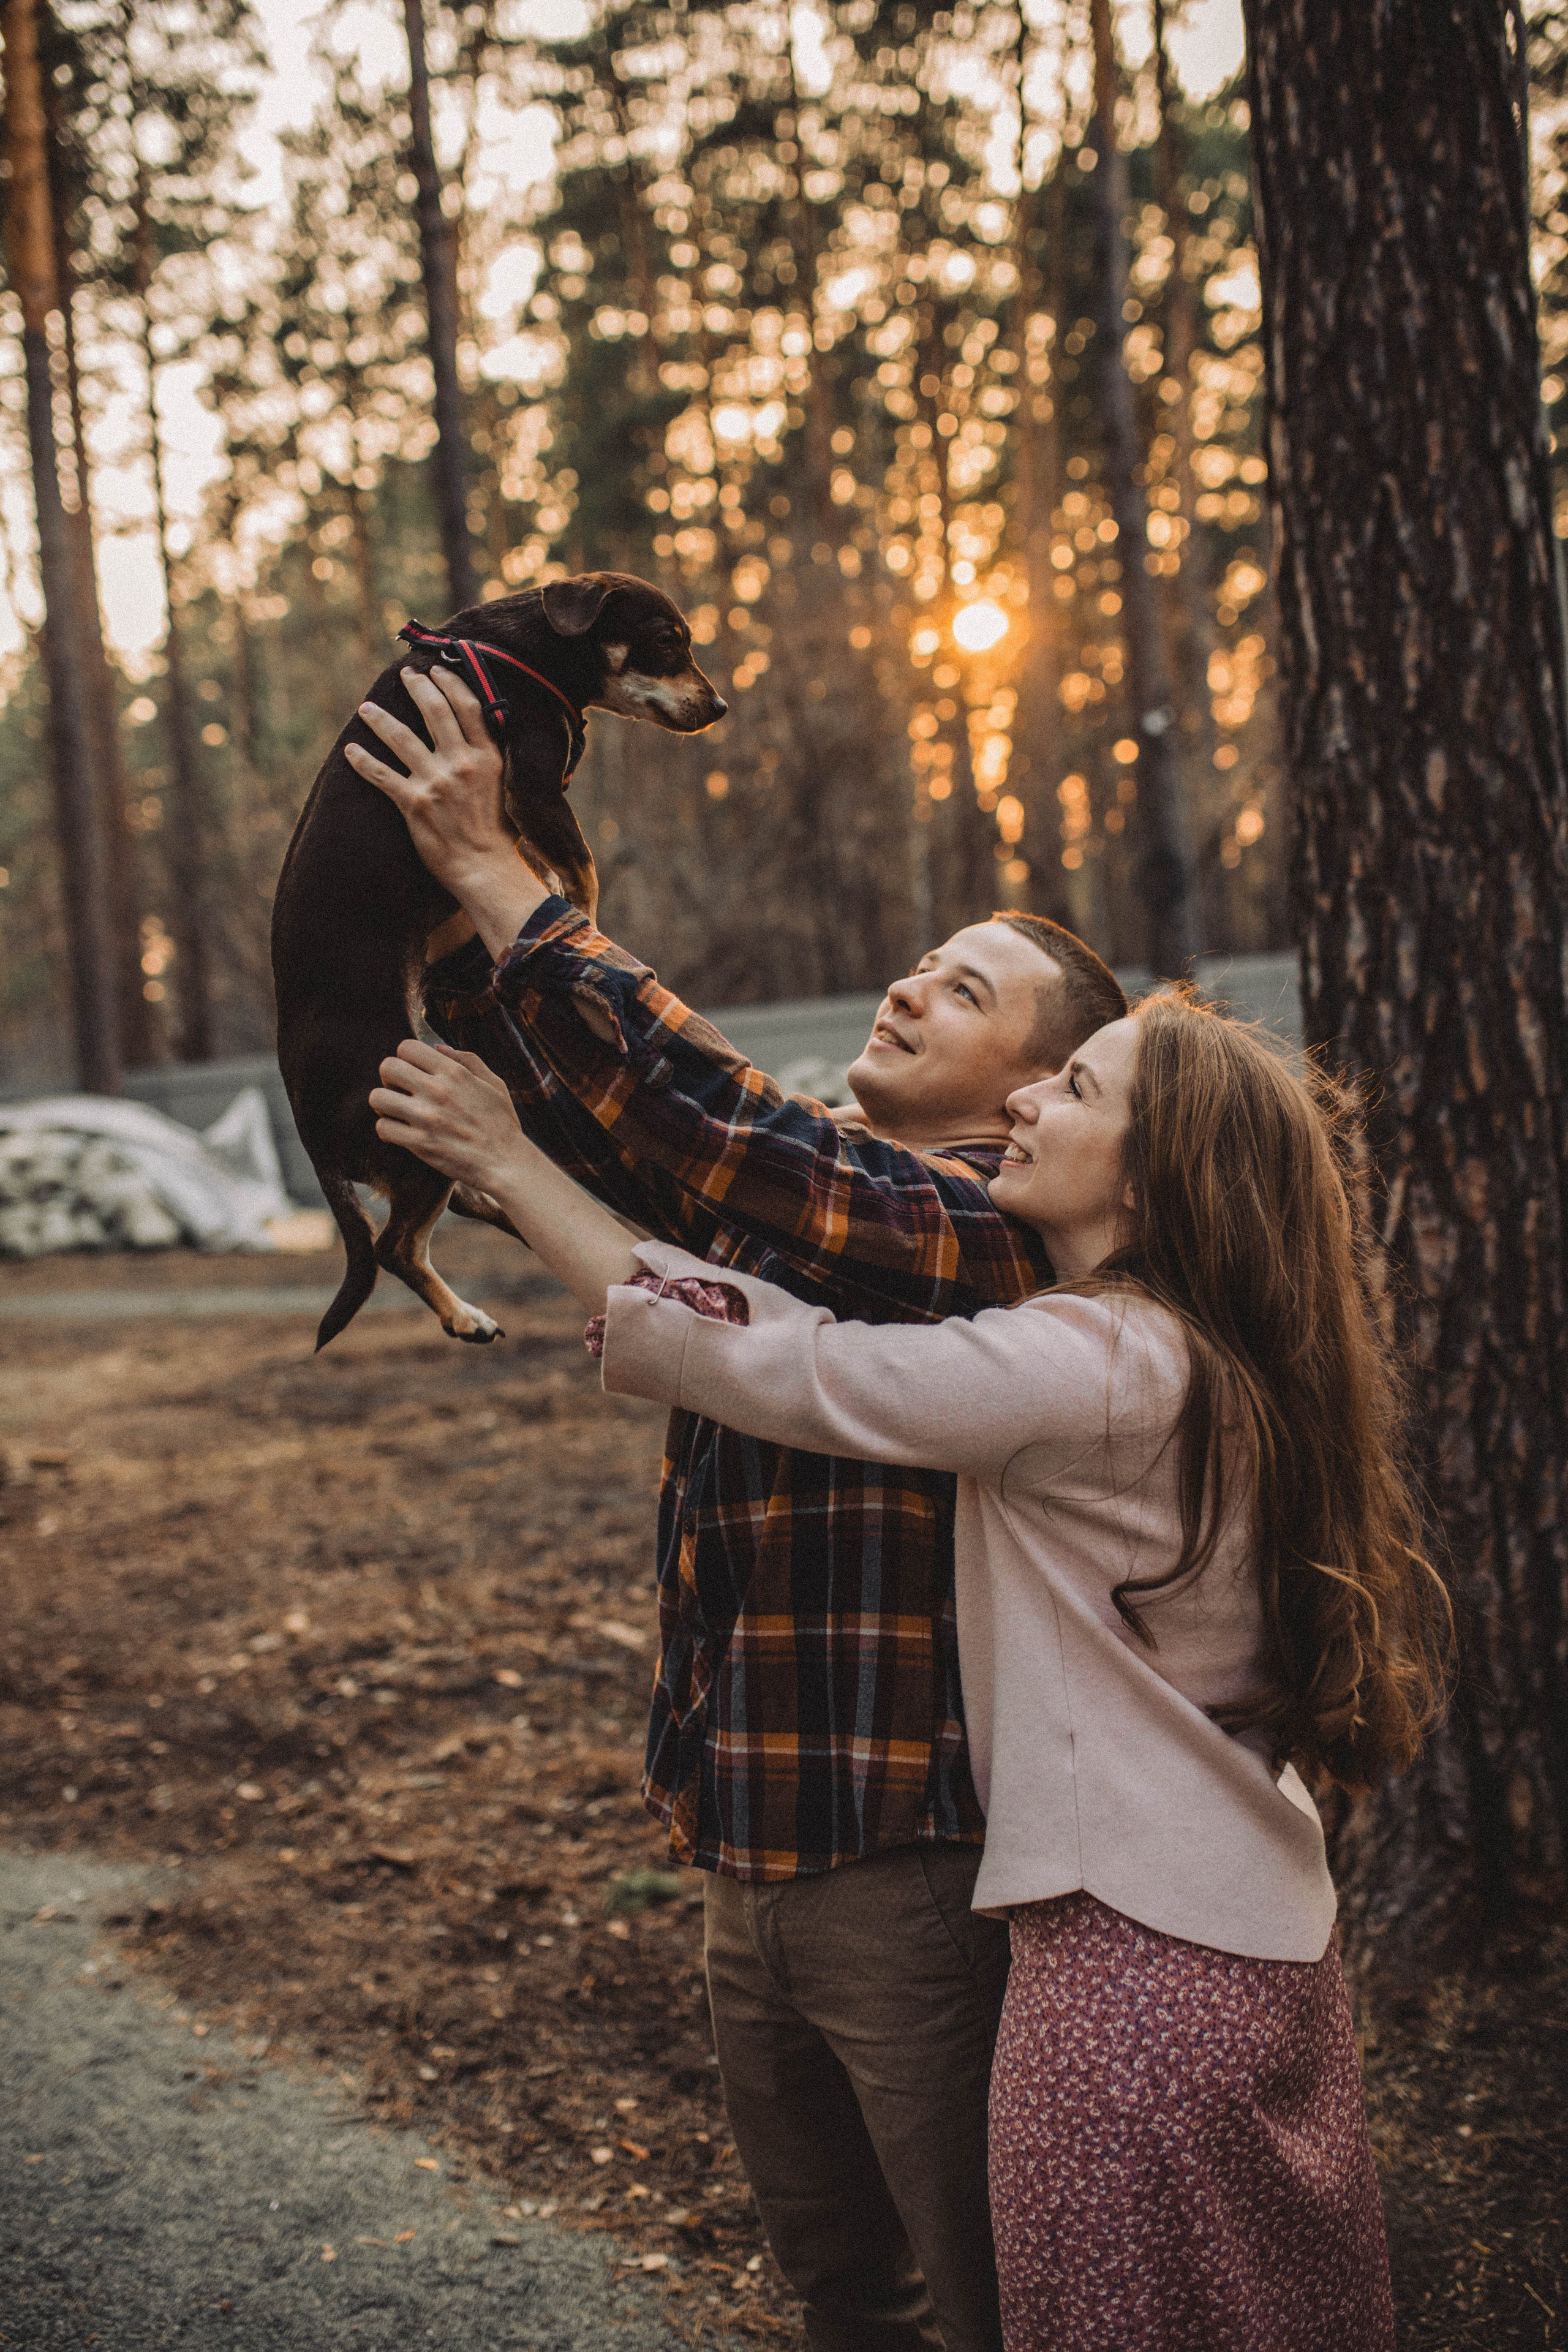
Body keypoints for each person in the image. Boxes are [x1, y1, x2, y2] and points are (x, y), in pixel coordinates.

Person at [368, 990, 1452, 2352]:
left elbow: (795, 1374)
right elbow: (791, 1336)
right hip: (1238, 1935)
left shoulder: (1096, 1358)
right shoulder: (1187, 1349)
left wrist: (511, 1167)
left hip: (1127, 1967)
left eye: (1075, 1090)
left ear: (1150, 1168)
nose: (1027, 1104)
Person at [345, 663, 1127, 2351]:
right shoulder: (797, 1200)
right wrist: (432, 874)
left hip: (905, 1868)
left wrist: (507, 879)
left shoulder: (977, 1235)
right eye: (929, 956)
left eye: (969, 984)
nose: (917, 979)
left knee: (985, 2293)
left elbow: (708, 1114)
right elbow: (597, 1114)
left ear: (1031, 1089)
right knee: (839, 2294)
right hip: (744, 1844)